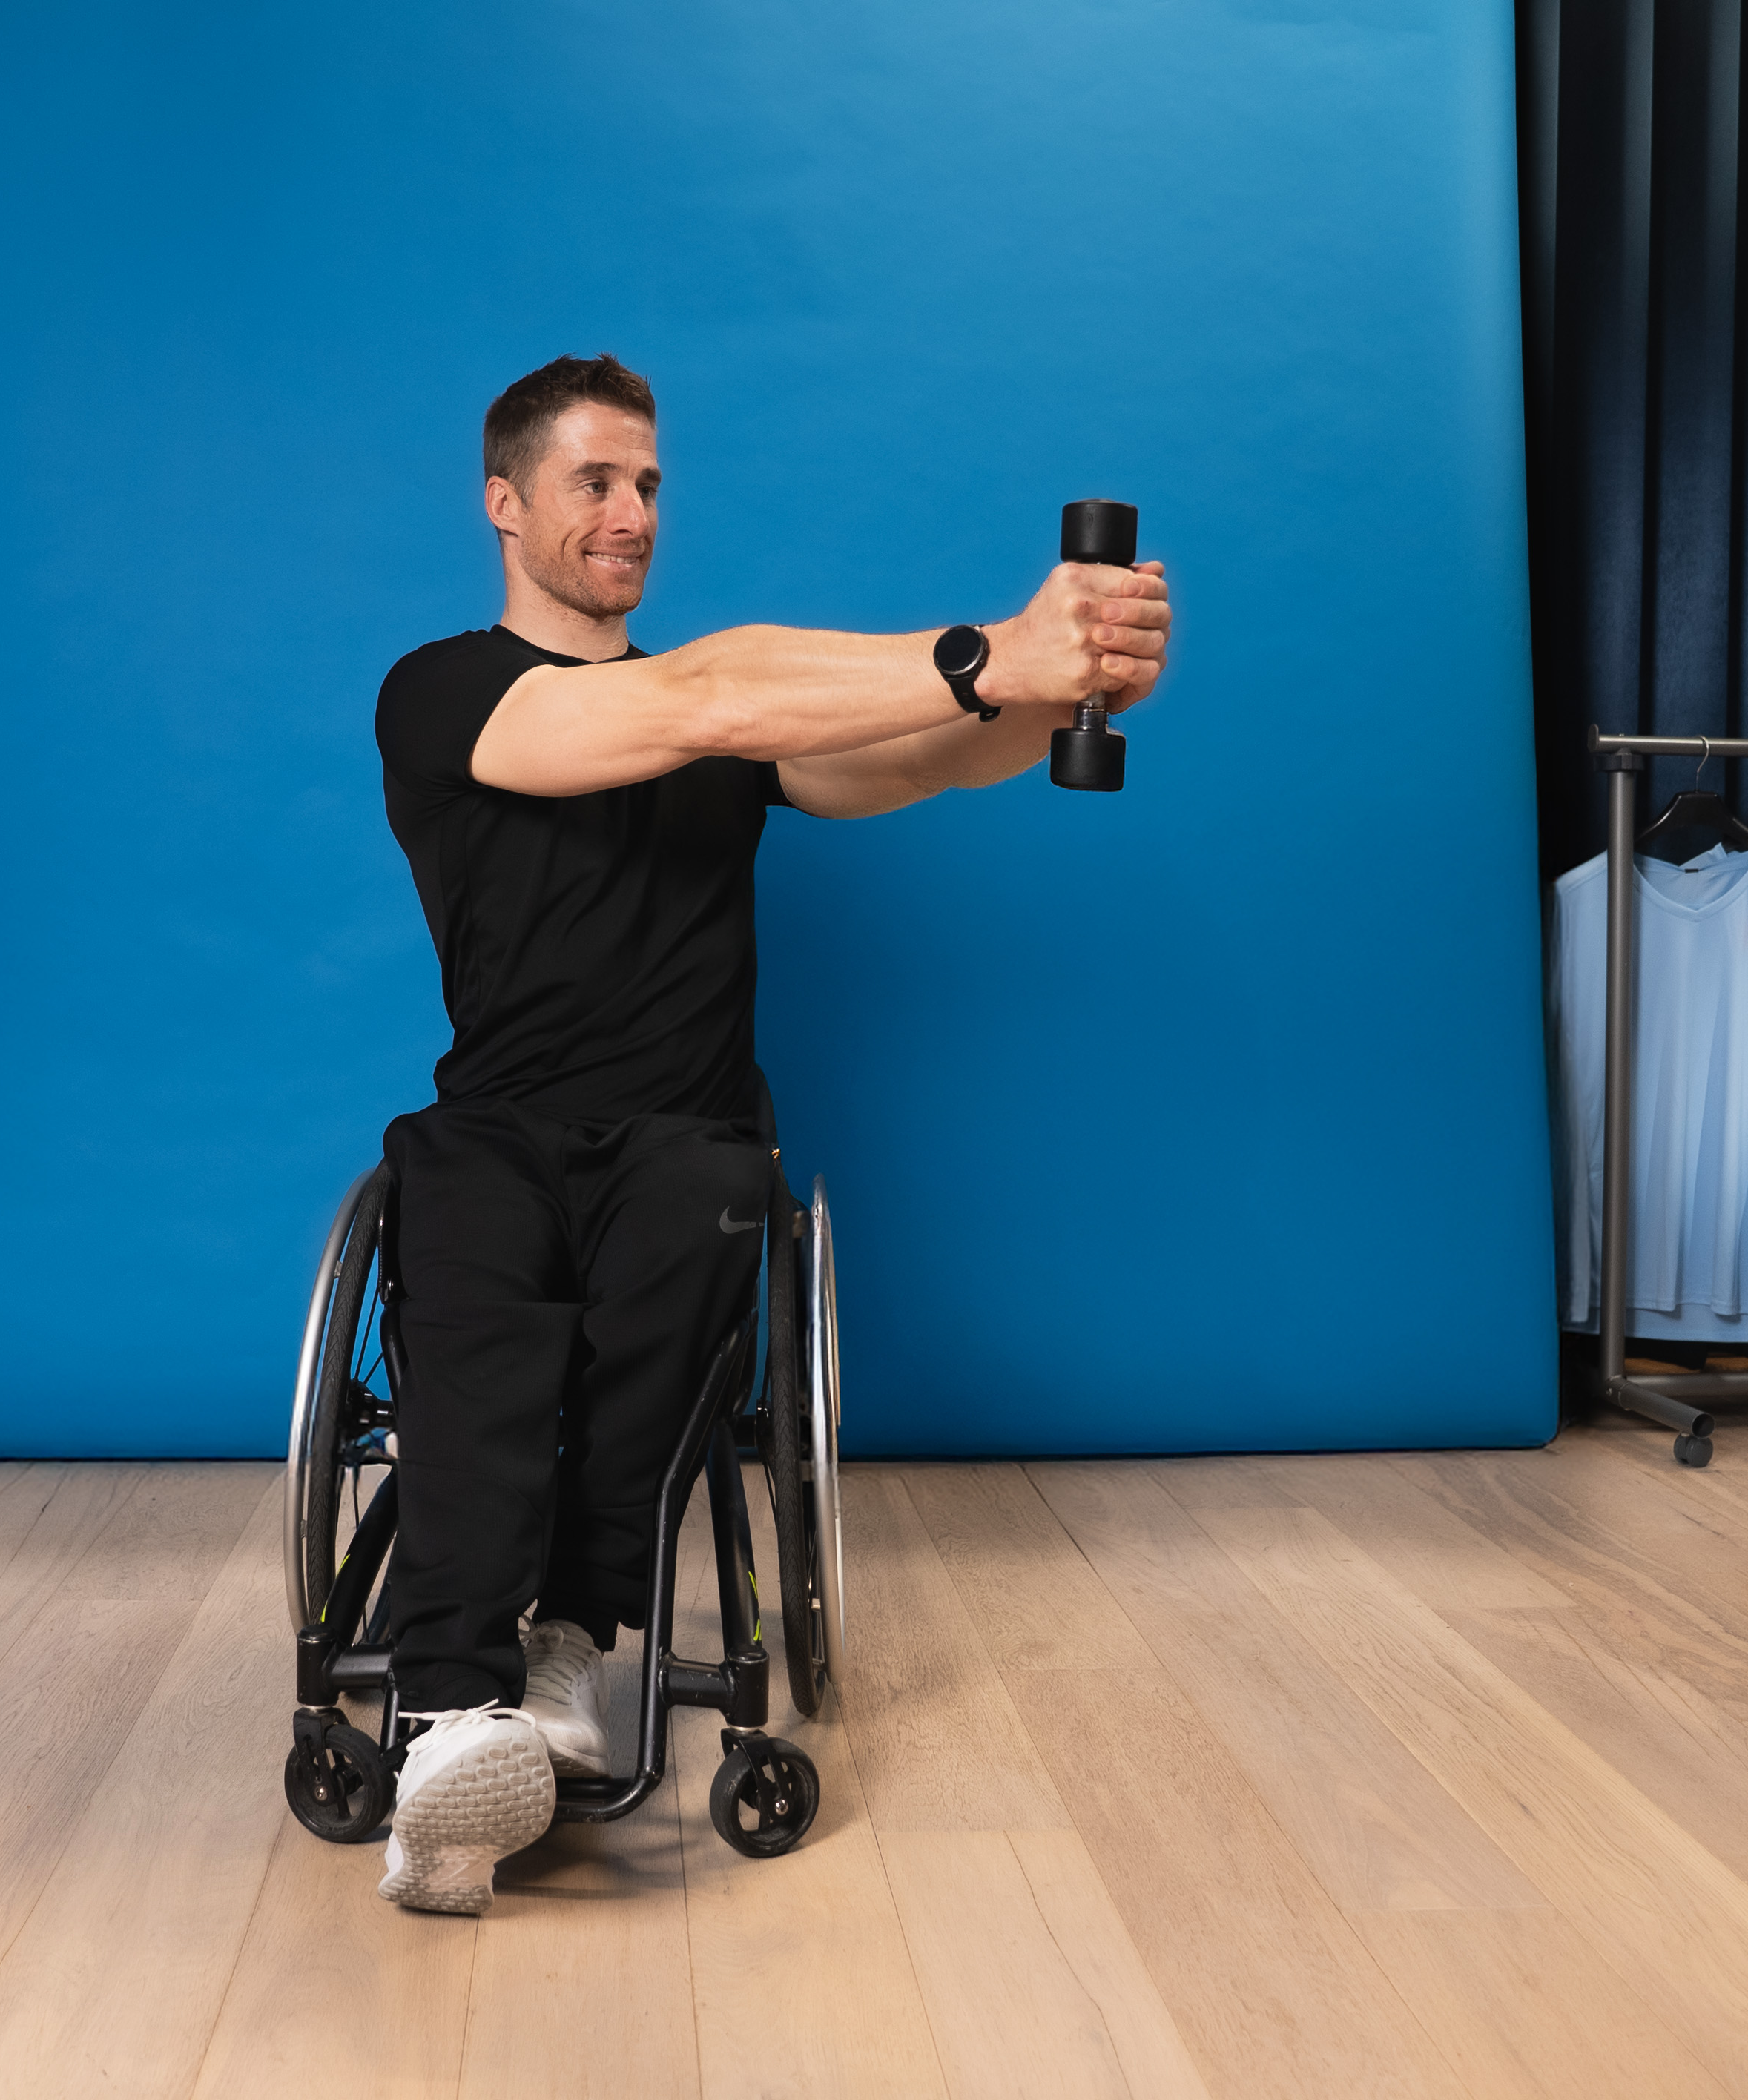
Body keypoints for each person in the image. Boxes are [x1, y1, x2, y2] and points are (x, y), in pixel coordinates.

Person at [370, 354, 1170, 1913]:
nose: (631, 512)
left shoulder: (739, 731)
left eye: (649, 485)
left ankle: (562, 1649)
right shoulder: (446, 692)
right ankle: (449, 1720)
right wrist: (992, 648)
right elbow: (698, 697)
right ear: (504, 503)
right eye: (596, 482)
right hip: (499, 1130)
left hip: (686, 1136)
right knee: (470, 1306)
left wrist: (1060, 687)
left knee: (693, 1229)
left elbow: (926, 750)